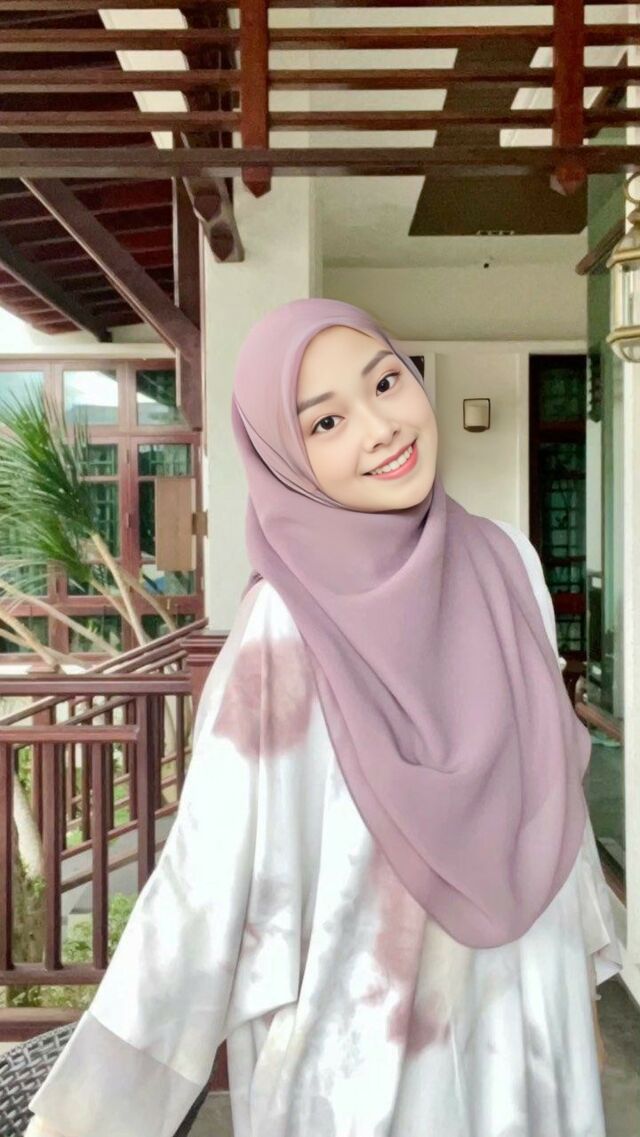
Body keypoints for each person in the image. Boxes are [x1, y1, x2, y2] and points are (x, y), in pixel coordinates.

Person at [25, 299, 622, 1137]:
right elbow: (206, 882)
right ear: (285, 456)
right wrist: (87, 1120)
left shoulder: (508, 562)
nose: (381, 428)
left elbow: (551, 780)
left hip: (529, 1019)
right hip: (372, 1056)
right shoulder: (287, 624)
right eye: (328, 421)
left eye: (386, 382)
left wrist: (585, 990)